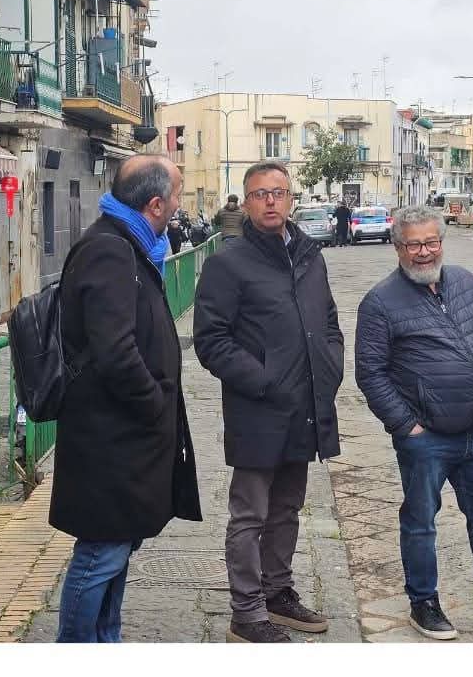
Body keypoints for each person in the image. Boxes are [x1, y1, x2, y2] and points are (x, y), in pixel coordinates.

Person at [355, 205, 473, 641]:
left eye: (431, 242)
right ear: (397, 247)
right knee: (420, 521)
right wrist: (407, 426)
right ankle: (423, 602)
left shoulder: (465, 281)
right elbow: (370, 373)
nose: (424, 252)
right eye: (413, 245)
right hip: (427, 438)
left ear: (442, 242)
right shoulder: (380, 302)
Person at [50, 154, 202, 643]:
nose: (179, 206)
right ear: (155, 204)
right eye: (177, 196)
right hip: (111, 437)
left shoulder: (129, 244)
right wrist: (154, 402)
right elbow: (115, 351)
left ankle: (106, 639)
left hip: (125, 434)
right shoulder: (110, 251)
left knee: (117, 548)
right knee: (101, 553)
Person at [193, 161, 344, 643]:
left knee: (288, 508)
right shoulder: (228, 263)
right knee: (250, 514)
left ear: (291, 198)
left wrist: (331, 367)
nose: (271, 201)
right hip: (257, 410)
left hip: (306, 406)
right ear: (246, 203)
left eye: (278, 192)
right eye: (260, 194)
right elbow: (210, 340)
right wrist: (263, 380)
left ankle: (277, 593)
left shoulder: (309, 255)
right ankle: (246, 611)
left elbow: (328, 320)